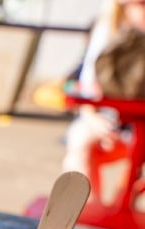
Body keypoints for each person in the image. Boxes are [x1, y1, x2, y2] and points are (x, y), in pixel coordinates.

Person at [62, 0, 145, 175]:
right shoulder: (109, 33)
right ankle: (80, 200)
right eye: (140, 5)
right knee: (79, 139)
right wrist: (92, 118)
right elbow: (84, 84)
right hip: (110, 118)